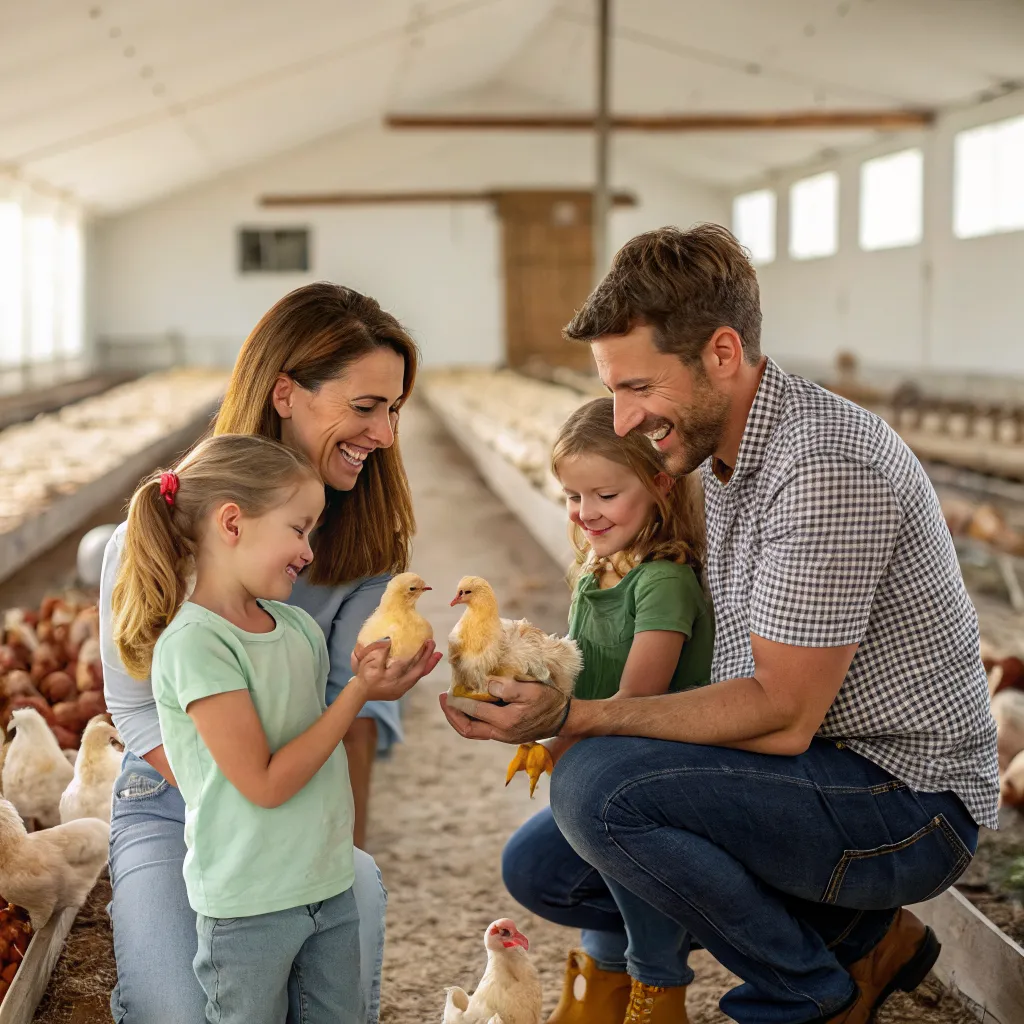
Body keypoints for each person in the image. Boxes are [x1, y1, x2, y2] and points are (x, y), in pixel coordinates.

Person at [441, 225, 999, 1024]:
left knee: (599, 791)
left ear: (723, 353)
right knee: (546, 867)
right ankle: (861, 940)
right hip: (818, 767)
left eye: (639, 386)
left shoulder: (822, 467)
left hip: (902, 803)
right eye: (613, 391)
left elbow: (781, 714)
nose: (623, 420)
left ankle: (804, 993)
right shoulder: (724, 453)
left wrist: (576, 716)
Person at [101, 283, 440, 1024]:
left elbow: (347, 718)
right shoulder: (150, 536)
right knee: (184, 1013)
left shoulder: (365, 550)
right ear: (285, 393)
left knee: (330, 971)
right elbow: (133, 706)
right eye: (365, 406)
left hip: (294, 797)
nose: (384, 434)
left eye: (394, 410)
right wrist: (239, 811)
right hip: (173, 798)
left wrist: (323, 866)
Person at [502, 397, 714, 1023]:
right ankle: (600, 984)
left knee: (609, 827)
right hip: (608, 763)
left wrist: (557, 735)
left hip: (663, 771)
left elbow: (632, 705)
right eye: (573, 496)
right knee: (545, 859)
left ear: (660, 485)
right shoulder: (595, 573)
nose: (585, 512)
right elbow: (578, 678)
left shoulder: (664, 581)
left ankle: (658, 988)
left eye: (605, 494)